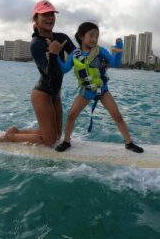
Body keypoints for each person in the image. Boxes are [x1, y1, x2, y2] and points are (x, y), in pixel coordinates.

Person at [0, 0, 76, 146]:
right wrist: (52, 54)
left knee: (57, 136)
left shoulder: (62, 37)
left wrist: (98, 60)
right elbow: (50, 73)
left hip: (55, 93)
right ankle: (11, 137)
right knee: (49, 141)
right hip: (42, 94)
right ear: (36, 19)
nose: (50, 18)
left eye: (52, 14)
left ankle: (15, 132)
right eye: (45, 15)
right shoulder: (36, 44)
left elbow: (79, 56)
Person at [54, 21, 143, 153]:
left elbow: (114, 63)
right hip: (86, 91)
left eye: (97, 36)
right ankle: (66, 141)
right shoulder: (75, 55)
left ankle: (129, 143)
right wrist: (55, 55)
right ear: (81, 36)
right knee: (72, 115)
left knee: (117, 115)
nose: (94, 39)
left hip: (102, 90)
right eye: (91, 35)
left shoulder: (100, 51)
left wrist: (118, 50)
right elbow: (64, 69)